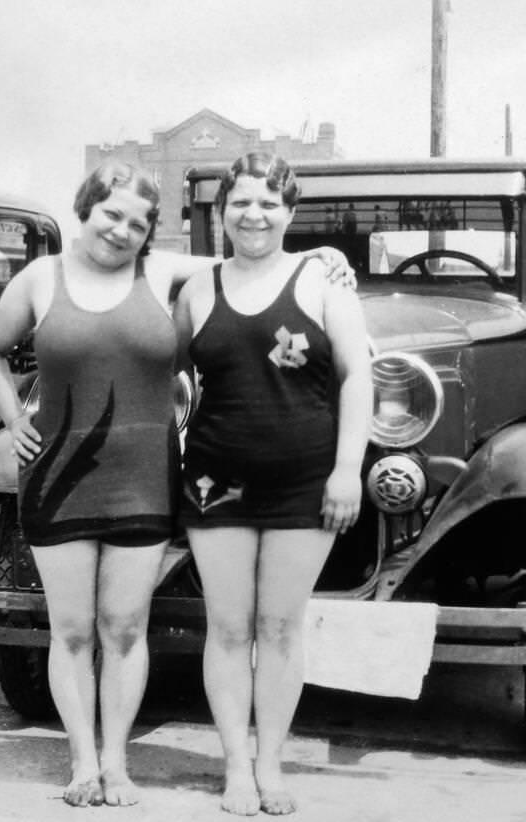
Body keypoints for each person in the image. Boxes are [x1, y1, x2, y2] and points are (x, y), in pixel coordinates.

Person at [0, 159, 353, 808]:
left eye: (137, 222)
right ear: (84, 210)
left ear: (152, 233)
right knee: (69, 630)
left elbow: (250, 252)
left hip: (144, 479)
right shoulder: (40, 279)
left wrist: (319, 250)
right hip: (57, 478)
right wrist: (14, 421)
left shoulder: (163, 273)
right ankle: (82, 764)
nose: (120, 230)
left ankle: (118, 766)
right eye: (110, 214)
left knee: (124, 628)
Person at [173, 153, 372, 816]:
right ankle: (234, 767)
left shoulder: (324, 283)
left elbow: (357, 378)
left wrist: (348, 469)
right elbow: (170, 374)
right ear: (219, 211)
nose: (253, 214)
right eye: (240, 203)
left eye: (268, 203)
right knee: (228, 628)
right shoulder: (197, 289)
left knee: (281, 628)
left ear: (289, 212)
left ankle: (270, 766)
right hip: (213, 481)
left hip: (304, 484)